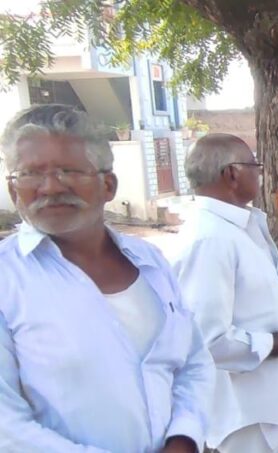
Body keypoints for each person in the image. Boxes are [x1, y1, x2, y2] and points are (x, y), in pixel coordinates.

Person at [0, 104, 214, 452]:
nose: (50, 187)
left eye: (69, 170)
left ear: (108, 185)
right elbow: (7, 428)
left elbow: (193, 362)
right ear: (13, 191)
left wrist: (183, 438)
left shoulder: (150, 262)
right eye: (31, 174)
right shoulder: (7, 280)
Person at [170, 133, 278, 453]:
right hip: (254, 418)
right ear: (232, 173)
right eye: (254, 166)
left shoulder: (243, 226)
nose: (259, 175)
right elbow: (207, 342)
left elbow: (252, 297)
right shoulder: (210, 239)